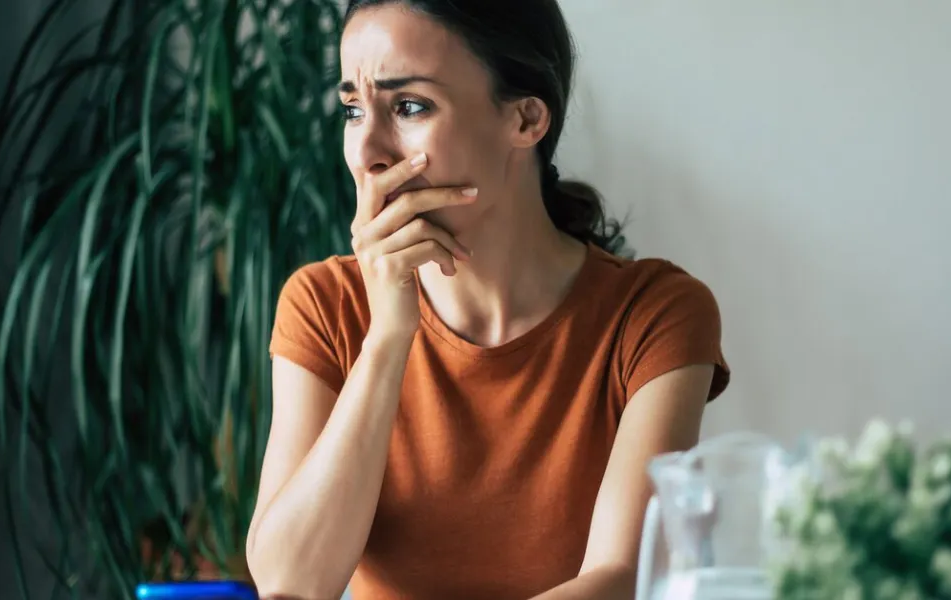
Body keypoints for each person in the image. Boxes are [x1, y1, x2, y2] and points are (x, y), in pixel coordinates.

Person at [245, 1, 730, 599]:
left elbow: (623, 578)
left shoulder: (653, 315)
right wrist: (389, 338)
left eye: (410, 106)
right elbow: (290, 583)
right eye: (352, 109)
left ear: (526, 119)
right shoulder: (325, 303)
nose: (366, 151)